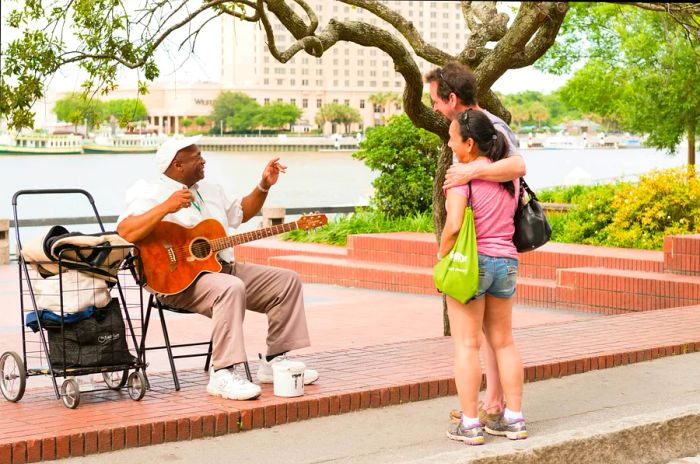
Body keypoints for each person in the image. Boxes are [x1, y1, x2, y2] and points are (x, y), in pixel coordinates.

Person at [116, 135, 318, 401]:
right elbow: (126, 231)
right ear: (177, 165)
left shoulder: (210, 189)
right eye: (197, 157)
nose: (203, 160)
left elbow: (241, 213)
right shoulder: (151, 193)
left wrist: (264, 186)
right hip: (177, 282)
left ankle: (274, 361)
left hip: (220, 269)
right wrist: (167, 206)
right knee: (230, 288)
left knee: (286, 281)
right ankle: (222, 374)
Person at [424, 63, 525, 428]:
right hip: (506, 258)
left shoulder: (486, 132)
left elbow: (518, 166)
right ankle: (510, 413)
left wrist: (469, 173)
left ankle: (472, 421)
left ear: (452, 98)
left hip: (474, 258)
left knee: (467, 345)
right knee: (503, 341)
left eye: (436, 101)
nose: (434, 107)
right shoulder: (477, 138)